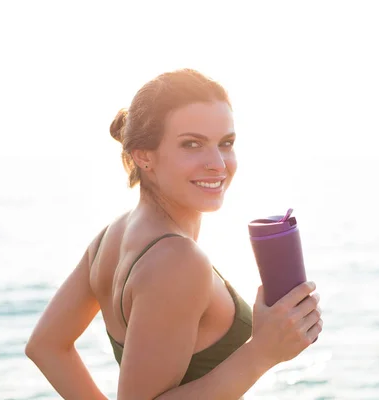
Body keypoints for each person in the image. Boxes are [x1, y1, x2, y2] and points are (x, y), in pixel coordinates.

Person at [25, 68, 323, 399]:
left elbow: (46, 346)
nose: (218, 164)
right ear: (143, 155)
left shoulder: (112, 236)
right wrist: (262, 353)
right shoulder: (178, 260)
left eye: (226, 143)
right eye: (192, 144)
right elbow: (46, 348)